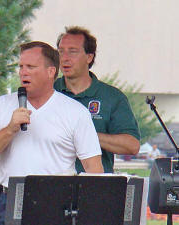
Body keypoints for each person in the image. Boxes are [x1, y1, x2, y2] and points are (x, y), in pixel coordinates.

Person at [0, 41, 104, 225]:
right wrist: (10, 129)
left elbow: (93, 168)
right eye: (21, 67)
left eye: (31, 67)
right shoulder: (0, 106)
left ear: (50, 72)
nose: (23, 72)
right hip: (11, 200)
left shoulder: (74, 112)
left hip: (58, 202)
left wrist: (91, 212)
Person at [54, 26, 140, 173]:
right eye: (61, 51)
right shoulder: (48, 92)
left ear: (89, 57)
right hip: (50, 184)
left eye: (73, 51)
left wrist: (85, 134)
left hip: (96, 185)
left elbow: (132, 145)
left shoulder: (112, 97)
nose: (65, 58)